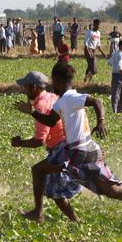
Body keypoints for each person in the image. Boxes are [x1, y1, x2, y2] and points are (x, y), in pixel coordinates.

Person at [14, 62, 122, 224]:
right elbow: (50, 121)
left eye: (53, 81)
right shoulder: (61, 101)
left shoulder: (70, 97)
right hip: (91, 150)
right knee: (111, 190)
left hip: (76, 152)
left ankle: (38, 212)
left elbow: (97, 102)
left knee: (38, 170)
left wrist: (101, 121)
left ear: (57, 81)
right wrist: (32, 112)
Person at [9, 71, 80, 222]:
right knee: (56, 191)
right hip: (67, 146)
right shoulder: (50, 96)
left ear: (34, 87)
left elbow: (39, 141)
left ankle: (38, 213)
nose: (23, 89)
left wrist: (19, 143)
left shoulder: (41, 106)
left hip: (62, 149)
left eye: (25, 87)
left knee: (38, 170)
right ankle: (75, 220)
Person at [83, 19, 105, 84]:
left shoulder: (98, 33)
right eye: (97, 25)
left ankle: (87, 79)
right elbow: (85, 43)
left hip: (93, 50)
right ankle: (88, 79)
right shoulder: (89, 32)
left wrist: (102, 53)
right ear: (94, 24)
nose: (98, 26)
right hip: (88, 49)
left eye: (99, 25)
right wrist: (88, 51)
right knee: (93, 65)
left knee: (90, 65)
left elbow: (98, 45)